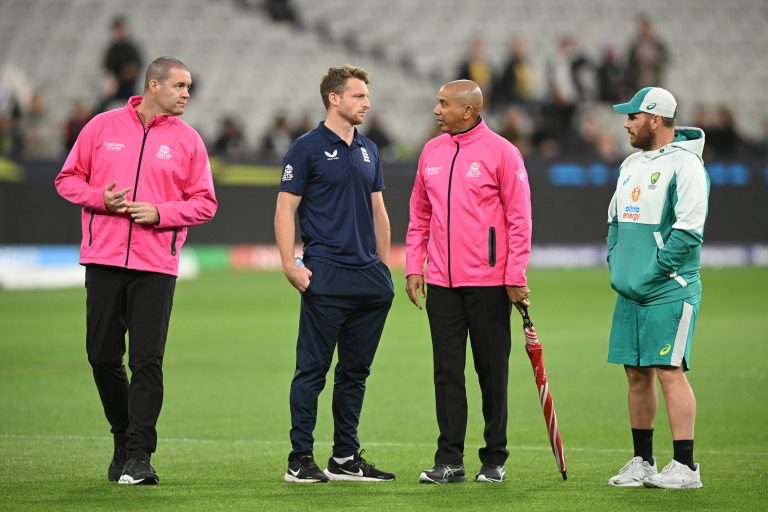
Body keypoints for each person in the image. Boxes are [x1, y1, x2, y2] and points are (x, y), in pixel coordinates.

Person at [55, 56, 217, 485]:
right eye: (180, 86)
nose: (187, 94)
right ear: (153, 86)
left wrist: (161, 213)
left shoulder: (189, 141)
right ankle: (124, 436)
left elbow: (205, 203)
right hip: (104, 259)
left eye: (189, 87)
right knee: (101, 356)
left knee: (147, 361)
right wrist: (100, 199)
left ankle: (139, 456)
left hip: (156, 264)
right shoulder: (101, 127)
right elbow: (66, 179)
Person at [405, 80, 532, 484]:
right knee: (446, 373)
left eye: (444, 104)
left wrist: (514, 275)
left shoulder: (502, 152)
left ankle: (494, 458)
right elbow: (419, 215)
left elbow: (520, 219)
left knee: (491, 373)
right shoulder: (430, 151)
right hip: (441, 284)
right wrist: (414, 265)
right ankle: (449, 460)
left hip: (490, 284)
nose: (436, 110)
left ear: (469, 111)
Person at [274, 65, 395, 483]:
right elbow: (285, 209)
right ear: (334, 98)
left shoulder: (369, 149)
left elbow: (379, 212)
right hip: (325, 274)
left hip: (370, 281)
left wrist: (383, 268)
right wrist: (290, 265)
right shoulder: (305, 148)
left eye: (366, 96)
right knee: (312, 372)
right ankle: (299, 459)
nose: (367, 103)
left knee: (355, 374)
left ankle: (344, 458)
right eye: (359, 96)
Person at [606, 87, 709, 489]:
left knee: (670, 370)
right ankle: (643, 461)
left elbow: (689, 231)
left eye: (633, 116)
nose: (626, 124)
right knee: (636, 373)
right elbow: (614, 220)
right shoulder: (631, 163)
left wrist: (657, 271)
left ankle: (685, 467)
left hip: (669, 289)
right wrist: (617, 261)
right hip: (631, 290)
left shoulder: (687, 165)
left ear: (654, 118)